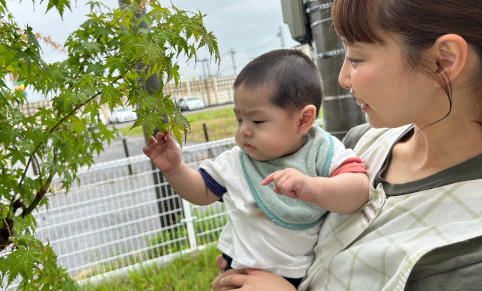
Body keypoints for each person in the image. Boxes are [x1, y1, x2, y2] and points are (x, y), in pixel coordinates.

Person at [212, 0, 482, 290]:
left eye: (356, 58)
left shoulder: (470, 249)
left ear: (443, 61)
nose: (342, 78)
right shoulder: (358, 145)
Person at [143, 49, 369, 287]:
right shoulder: (236, 162)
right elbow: (201, 192)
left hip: (293, 276)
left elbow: (359, 190)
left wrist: (314, 187)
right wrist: (176, 170)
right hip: (238, 269)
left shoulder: (322, 152)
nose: (244, 130)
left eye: (258, 121)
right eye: (239, 119)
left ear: (303, 120)